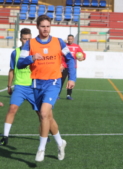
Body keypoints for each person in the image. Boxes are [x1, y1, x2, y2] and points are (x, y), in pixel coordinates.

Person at [17, 15, 76, 161]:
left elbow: (70, 58)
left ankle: (41, 149)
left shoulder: (58, 42)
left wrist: (72, 78)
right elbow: (19, 63)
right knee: (48, 117)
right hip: (37, 84)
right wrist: (31, 58)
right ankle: (60, 142)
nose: (46, 29)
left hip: (53, 83)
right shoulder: (30, 43)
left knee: (43, 114)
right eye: (43, 26)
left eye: (48, 26)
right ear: (37, 27)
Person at [1, 28, 56, 146]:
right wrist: (9, 85)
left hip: (34, 87)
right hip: (20, 87)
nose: (26, 41)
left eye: (28, 39)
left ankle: (47, 135)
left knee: (42, 114)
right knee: (12, 109)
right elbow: (11, 70)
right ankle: (5, 136)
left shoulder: (36, 53)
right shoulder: (15, 52)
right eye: (24, 39)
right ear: (20, 39)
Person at [59, 34, 86, 100]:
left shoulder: (77, 47)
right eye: (69, 39)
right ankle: (57, 95)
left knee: (71, 81)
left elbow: (83, 54)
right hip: (64, 66)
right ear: (67, 39)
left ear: (73, 39)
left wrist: (82, 58)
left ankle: (68, 95)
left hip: (73, 67)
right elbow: (59, 55)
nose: (70, 40)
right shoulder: (64, 46)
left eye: (71, 39)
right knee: (60, 81)